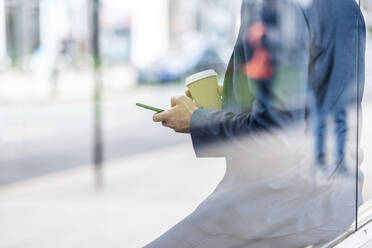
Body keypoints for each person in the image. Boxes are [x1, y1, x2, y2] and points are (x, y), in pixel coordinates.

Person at [147, 0, 366, 247]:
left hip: (282, 207)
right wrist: (235, 94)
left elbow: (277, 133)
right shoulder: (346, 5)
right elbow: (318, 96)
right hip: (340, 199)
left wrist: (196, 119)